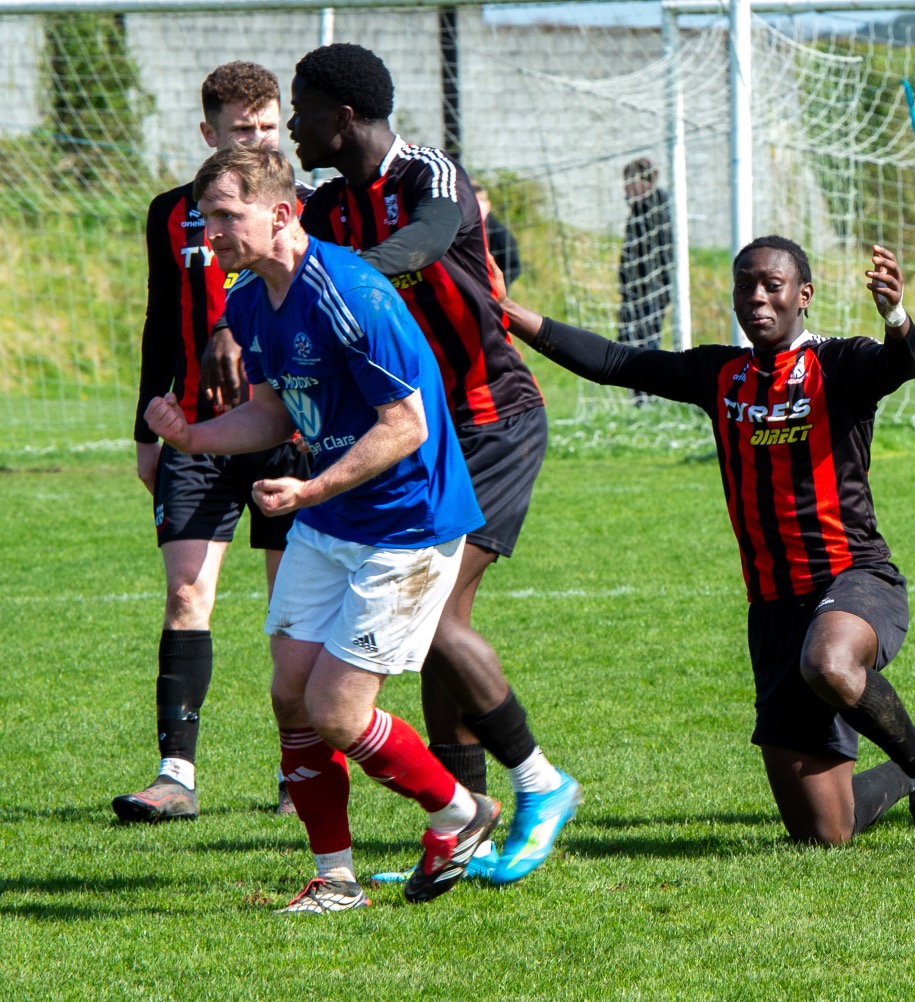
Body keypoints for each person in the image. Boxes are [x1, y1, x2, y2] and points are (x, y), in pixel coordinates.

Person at [503, 238, 915, 850]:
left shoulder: (839, 365)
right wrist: (511, 313)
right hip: (774, 612)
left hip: (854, 578)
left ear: (802, 296)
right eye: (745, 286)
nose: (757, 296)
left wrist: (894, 316)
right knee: (824, 833)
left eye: (772, 285)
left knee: (831, 661)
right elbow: (614, 362)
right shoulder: (718, 374)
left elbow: (902, 363)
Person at [145, 143, 498, 913]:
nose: (213, 233)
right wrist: (195, 437)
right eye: (206, 218)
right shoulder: (244, 300)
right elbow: (274, 411)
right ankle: (334, 878)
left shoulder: (350, 290)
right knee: (290, 697)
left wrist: (312, 486)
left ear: (281, 212)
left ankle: (460, 813)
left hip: (406, 525)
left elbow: (405, 425)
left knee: (337, 710)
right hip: (331, 517)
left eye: (227, 216)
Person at [286, 42, 577, 886]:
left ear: (342, 117)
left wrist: (338, 280)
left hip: (492, 423)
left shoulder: (428, 174)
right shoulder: (330, 205)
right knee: (429, 631)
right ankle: (467, 825)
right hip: (417, 434)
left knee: (440, 617)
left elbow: (429, 240)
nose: (296, 125)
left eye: (302, 110)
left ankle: (540, 785)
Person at [117, 61, 307, 824]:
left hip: (290, 430)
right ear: (208, 134)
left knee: (290, 608)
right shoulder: (172, 215)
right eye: (240, 131)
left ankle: (302, 772)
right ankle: (175, 774)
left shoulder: (308, 209)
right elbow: (162, 324)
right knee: (187, 593)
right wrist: (144, 433)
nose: (258, 141)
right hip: (196, 435)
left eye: (268, 128)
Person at [617, 158, 674, 405]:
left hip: (649, 292)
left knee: (645, 344)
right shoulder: (638, 211)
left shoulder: (655, 210)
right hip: (634, 292)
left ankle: (647, 397)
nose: (626, 189)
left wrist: (652, 289)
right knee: (627, 340)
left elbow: (657, 257)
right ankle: (639, 397)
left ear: (647, 182)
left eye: (631, 182)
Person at [472, 179, 523, 288]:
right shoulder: (461, 230)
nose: (476, 207)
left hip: (492, 294)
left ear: (488, 205)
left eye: (480, 201)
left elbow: (513, 267)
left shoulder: (500, 234)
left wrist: (495, 288)